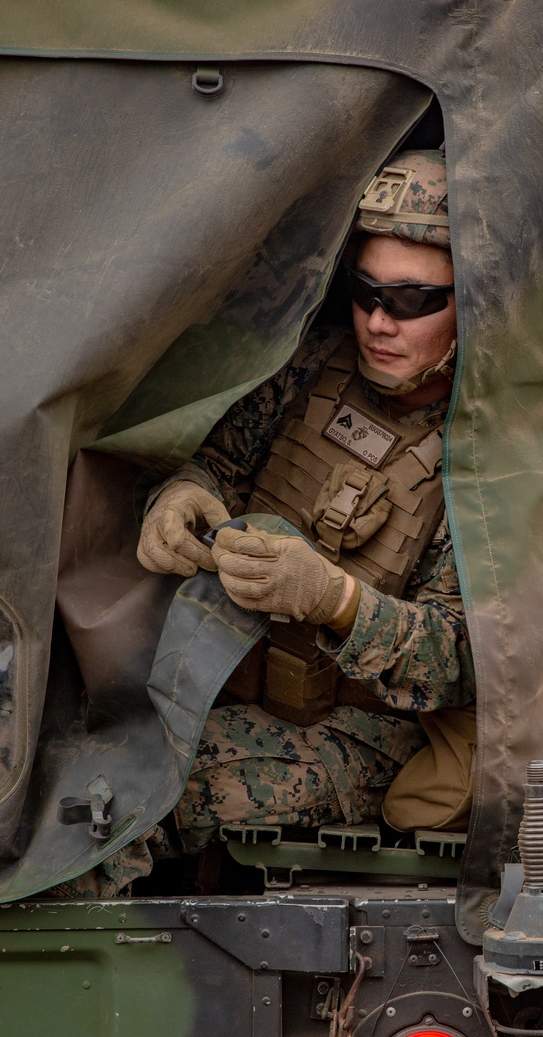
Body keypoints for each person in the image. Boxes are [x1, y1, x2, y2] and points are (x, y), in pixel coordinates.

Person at [57, 150, 474, 897]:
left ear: (468, 301)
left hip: (358, 734)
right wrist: (182, 496)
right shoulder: (310, 368)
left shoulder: (484, 461)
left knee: (116, 812)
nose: (380, 322)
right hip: (216, 677)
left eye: (414, 301)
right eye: (366, 291)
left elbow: (458, 661)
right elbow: (221, 459)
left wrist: (335, 601)